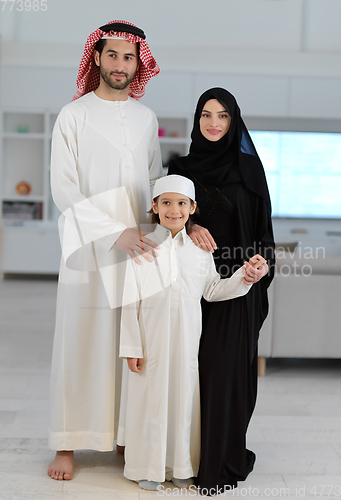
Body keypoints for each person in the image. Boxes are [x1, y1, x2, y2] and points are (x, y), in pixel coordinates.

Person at [47, 20, 162, 481]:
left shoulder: (145, 118)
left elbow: (152, 184)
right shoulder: (72, 116)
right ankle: (67, 443)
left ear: (139, 63)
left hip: (139, 249)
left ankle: (121, 432)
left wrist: (157, 233)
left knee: (130, 343)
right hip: (88, 248)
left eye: (129, 57)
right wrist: (115, 232)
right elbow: (64, 189)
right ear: (96, 57)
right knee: (80, 341)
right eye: (112, 55)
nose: (120, 65)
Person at [119, 174, 262, 491]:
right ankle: (149, 467)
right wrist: (132, 346)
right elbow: (129, 301)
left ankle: (181, 464)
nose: (174, 210)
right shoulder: (143, 247)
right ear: (155, 207)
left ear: (193, 207)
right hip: (150, 341)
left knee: (184, 401)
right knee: (150, 402)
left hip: (186, 341)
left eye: (181, 203)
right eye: (166, 203)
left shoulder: (199, 251)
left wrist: (244, 278)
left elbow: (212, 290)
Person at [168, 88, 275, 495]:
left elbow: (265, 234)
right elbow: (168, 212)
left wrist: (261, 265)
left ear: (234, 122)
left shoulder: (250, 169)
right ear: (196, 119)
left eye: (223, 116)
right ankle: (185, 457)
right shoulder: (181, 168)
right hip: (190, 282)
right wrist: (190, 226)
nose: (213, 123)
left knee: (222, 370)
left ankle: (220, 462)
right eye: (206, 115)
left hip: (240, 283)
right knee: (189, 373)